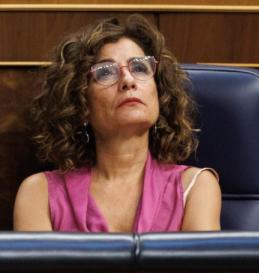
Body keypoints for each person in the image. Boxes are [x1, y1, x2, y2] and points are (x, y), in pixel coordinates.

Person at [14, 14, 221, 233]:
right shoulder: (39, 193)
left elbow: (198, 269)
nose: (128, 81)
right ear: (80, 103)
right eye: (105, 72)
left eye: (140, 68)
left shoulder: (196, 187)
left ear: (159, 94)